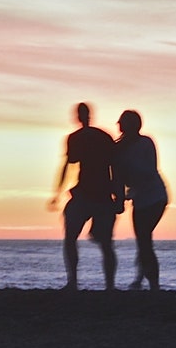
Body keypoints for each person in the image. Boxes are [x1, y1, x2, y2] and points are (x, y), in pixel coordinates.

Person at [47, 102, 121, 290]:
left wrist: (57, 193)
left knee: (78, 239)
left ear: (79, 117)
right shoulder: (103, 137)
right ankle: (104, 285)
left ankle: (76, 281)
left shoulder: (78, 138)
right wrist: (118, 195)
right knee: (102, 243)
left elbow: (68, 165)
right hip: (96, 194)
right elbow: (116, 168)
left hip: (94, 195)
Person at [115, 109, 168, 290]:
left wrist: (128, 188)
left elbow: (150, 170)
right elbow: (119, 177)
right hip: (139, 199)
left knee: (144, 239)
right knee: (143, 240)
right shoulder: (119, 149)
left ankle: (153, 283)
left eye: (122, 122)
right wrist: (121, 198)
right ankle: (141, 278)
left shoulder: (145, 143)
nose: (119, 125)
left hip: (155, 197)